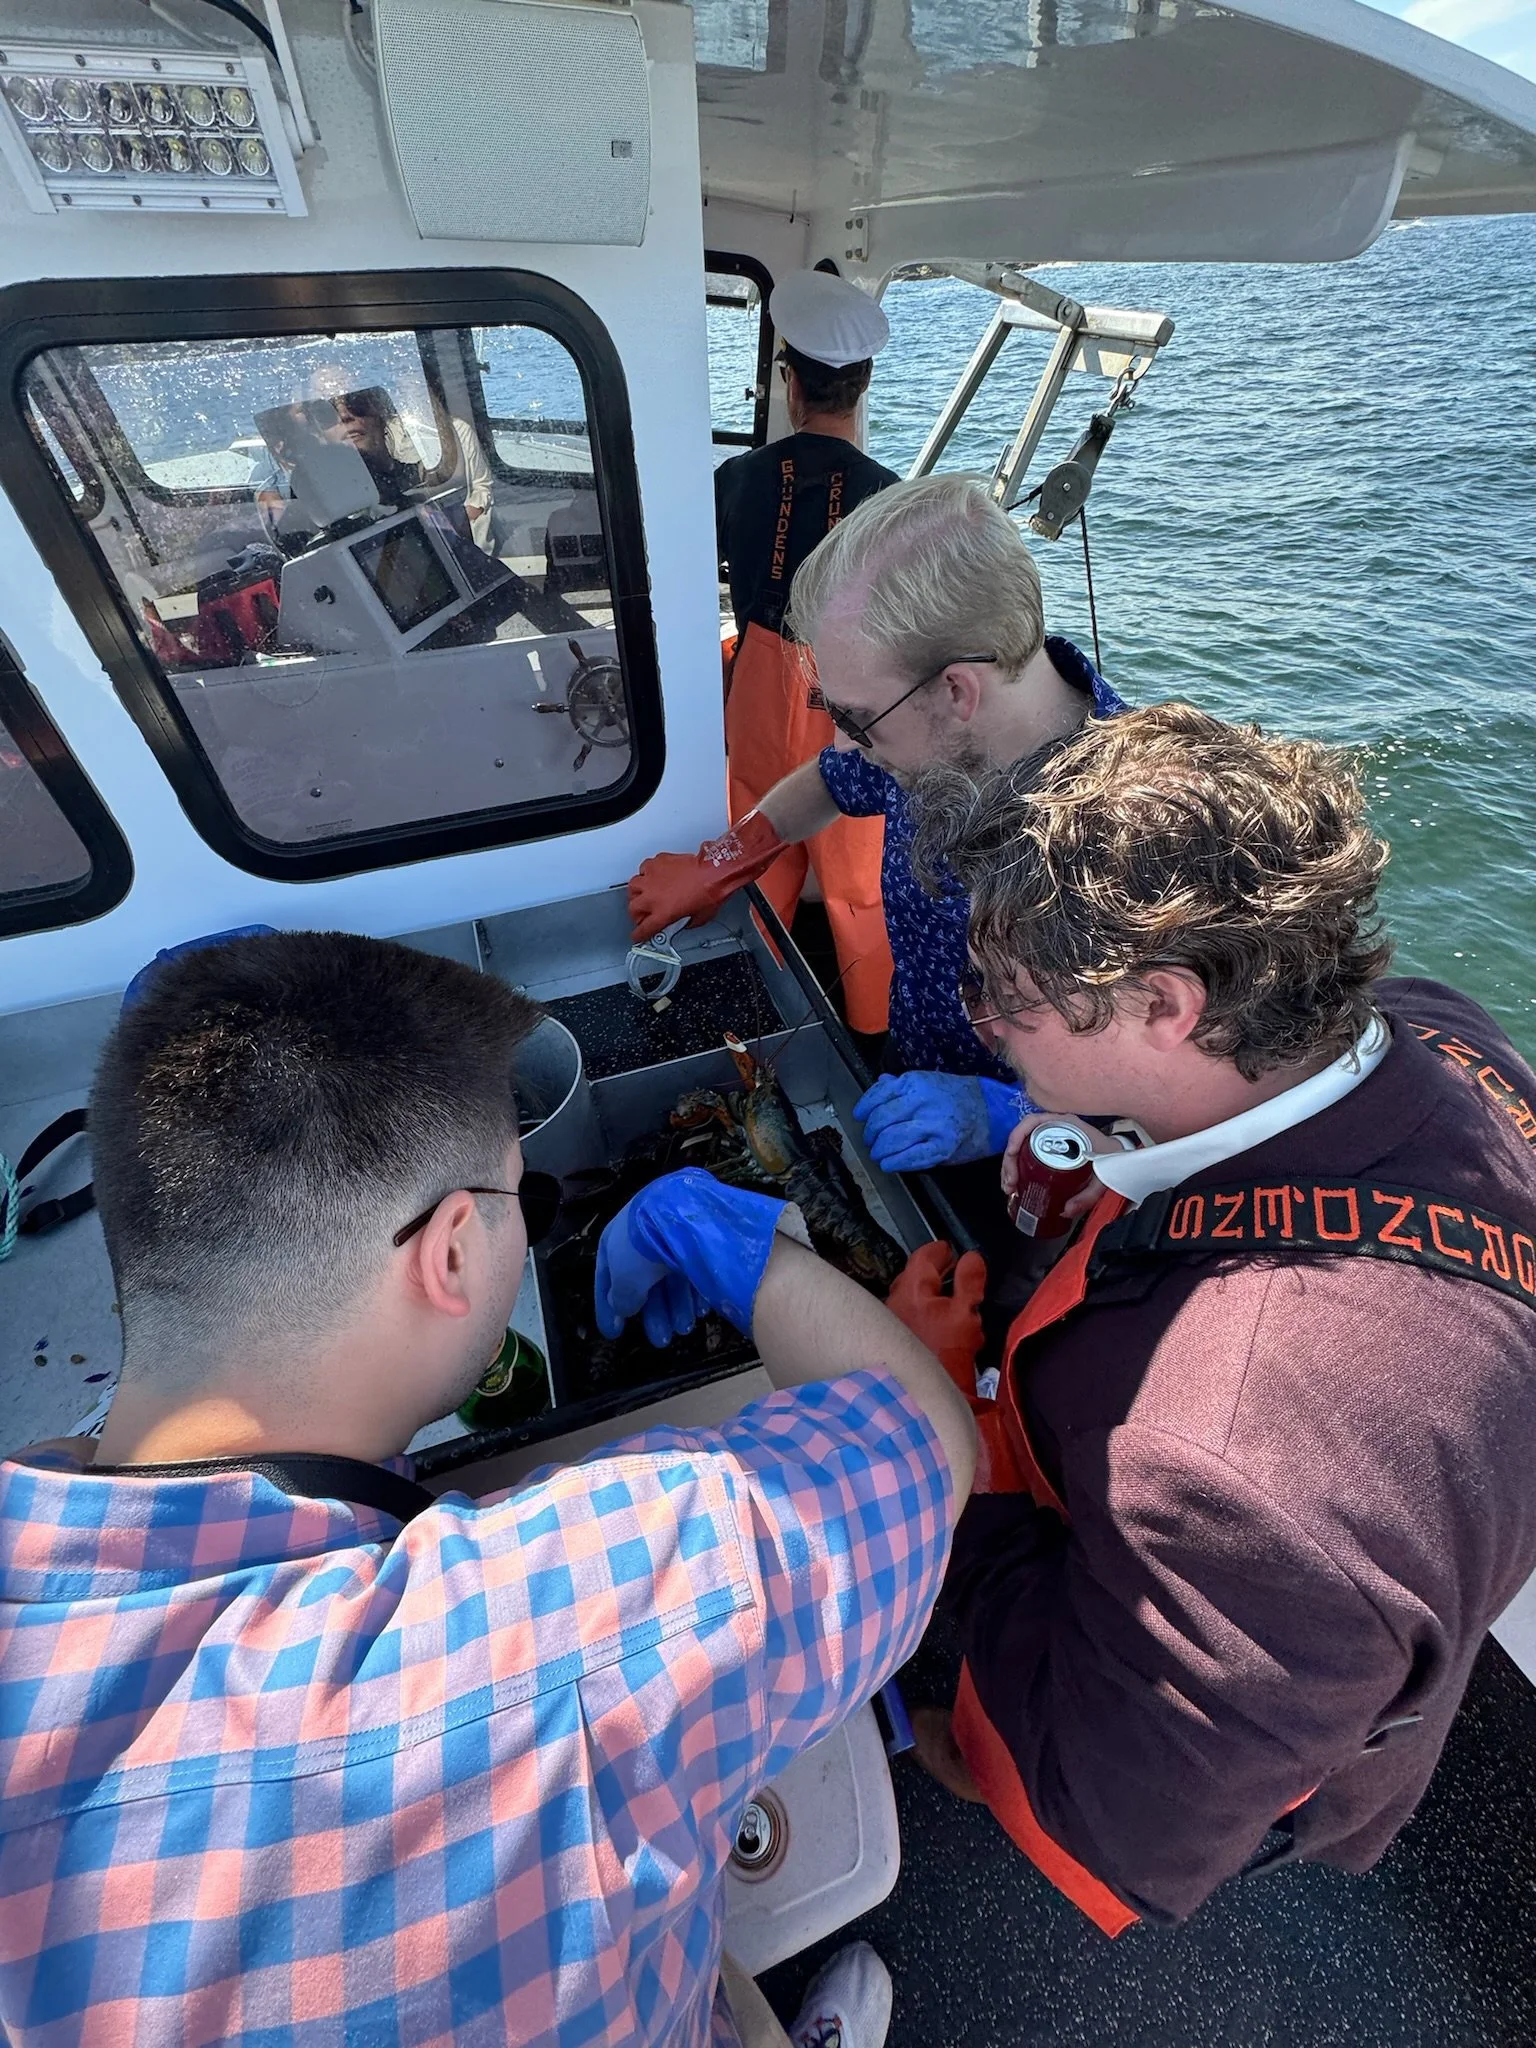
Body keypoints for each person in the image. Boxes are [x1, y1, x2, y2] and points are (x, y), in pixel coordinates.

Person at [0, 930, 973, 2048]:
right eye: (528, 1192)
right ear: (453, 1249)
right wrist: (732, 1239)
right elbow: (926, 1446)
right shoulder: (577, 1617)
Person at [902, 703, 1536, 1932]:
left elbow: (1131, 1822)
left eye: (1008, 1004)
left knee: (1032, 1770)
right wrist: (1094, 1144)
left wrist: (947, 1431)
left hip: (1216, 1736)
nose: (986, 1023)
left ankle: (977, 1755)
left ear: (1167, 1005)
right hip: (1381, 1550)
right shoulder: (1438, 1026)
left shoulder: (1226, 1462)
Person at [630, 473, 1125, 1173]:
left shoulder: (1137, 840)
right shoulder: (925, 733)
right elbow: (831, 782)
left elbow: (1182, 1106)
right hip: (907, 1075)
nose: (841, 742)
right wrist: (727, 858)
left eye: (854, 717)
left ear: (957, 691)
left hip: (1041, 1164)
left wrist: (1004, 1113)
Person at [711, 269, 900, 1034]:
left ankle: (750, 1014)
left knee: (759, 845)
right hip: (847, 691)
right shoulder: (889, 496)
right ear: (862, 387)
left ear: (791, 382)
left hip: (757, 678)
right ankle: (872, 1037)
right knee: (857, 882)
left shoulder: (737, 478)